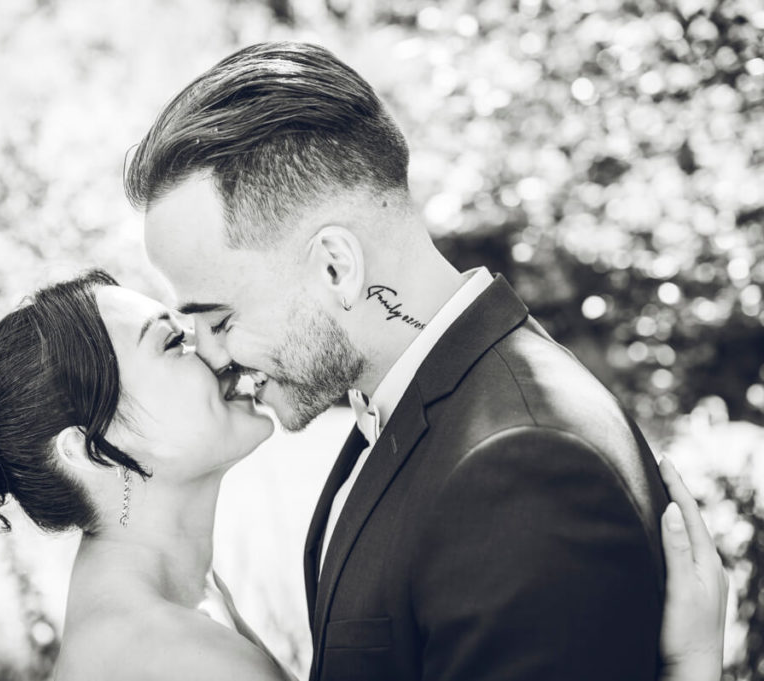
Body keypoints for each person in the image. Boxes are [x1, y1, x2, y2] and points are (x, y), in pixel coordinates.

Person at [124, 42, 726, 680]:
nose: (212, 357)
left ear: (336, 266)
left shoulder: (523, 467)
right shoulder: (410, 404)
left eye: (220, 320)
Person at [0, 271, 726, 681]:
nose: (217, 346)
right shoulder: (163, 654)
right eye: (174, 345)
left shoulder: (178, 606)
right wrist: (688, 665)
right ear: (90, 449)